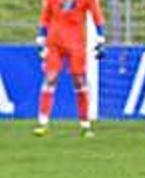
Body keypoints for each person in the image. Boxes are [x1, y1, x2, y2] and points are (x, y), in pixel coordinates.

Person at [33, 0, 106, 138]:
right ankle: (42, 123)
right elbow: (45, 16)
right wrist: (41, 38)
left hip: (76, 43)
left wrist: (101, 38)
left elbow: (97, 15)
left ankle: (85, 124)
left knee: (79, 80)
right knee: (50, 78)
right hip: (54, 42)